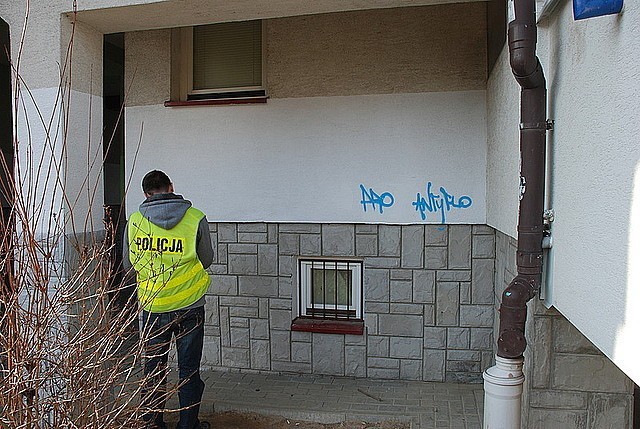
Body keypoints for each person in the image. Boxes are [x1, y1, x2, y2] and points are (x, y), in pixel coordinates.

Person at [123, 170, 214, 429]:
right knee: (188, 371)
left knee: (152, 370)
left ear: (145, 194)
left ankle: (152, 424)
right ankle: (188, 425)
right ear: (171, 187)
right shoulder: (195, 217)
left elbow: (128, 266)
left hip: (154, 308)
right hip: (190, 307)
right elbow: (206, 259)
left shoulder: (135, 221)